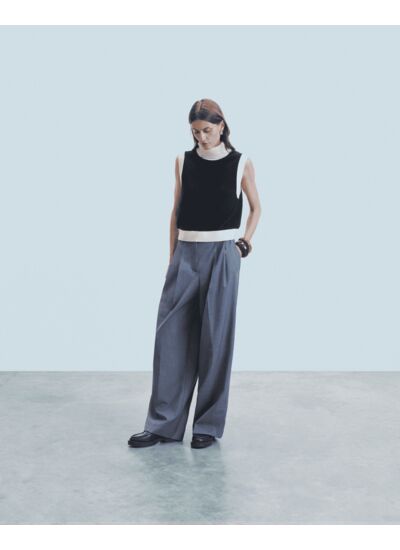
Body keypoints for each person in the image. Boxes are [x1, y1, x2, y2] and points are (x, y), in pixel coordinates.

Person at [128, 98, 261, 449]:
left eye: (206, 130)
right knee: (170, 339)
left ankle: (207, 425)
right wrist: (172, 258)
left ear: (221, 126)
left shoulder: (240, 162)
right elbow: (175, 212)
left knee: (215, 341)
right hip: (185, 253)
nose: (201, 137)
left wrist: (244, 244)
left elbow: (256, 208)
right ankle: (163, 425)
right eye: (195, 131)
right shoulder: (182, 161)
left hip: (222, 255)